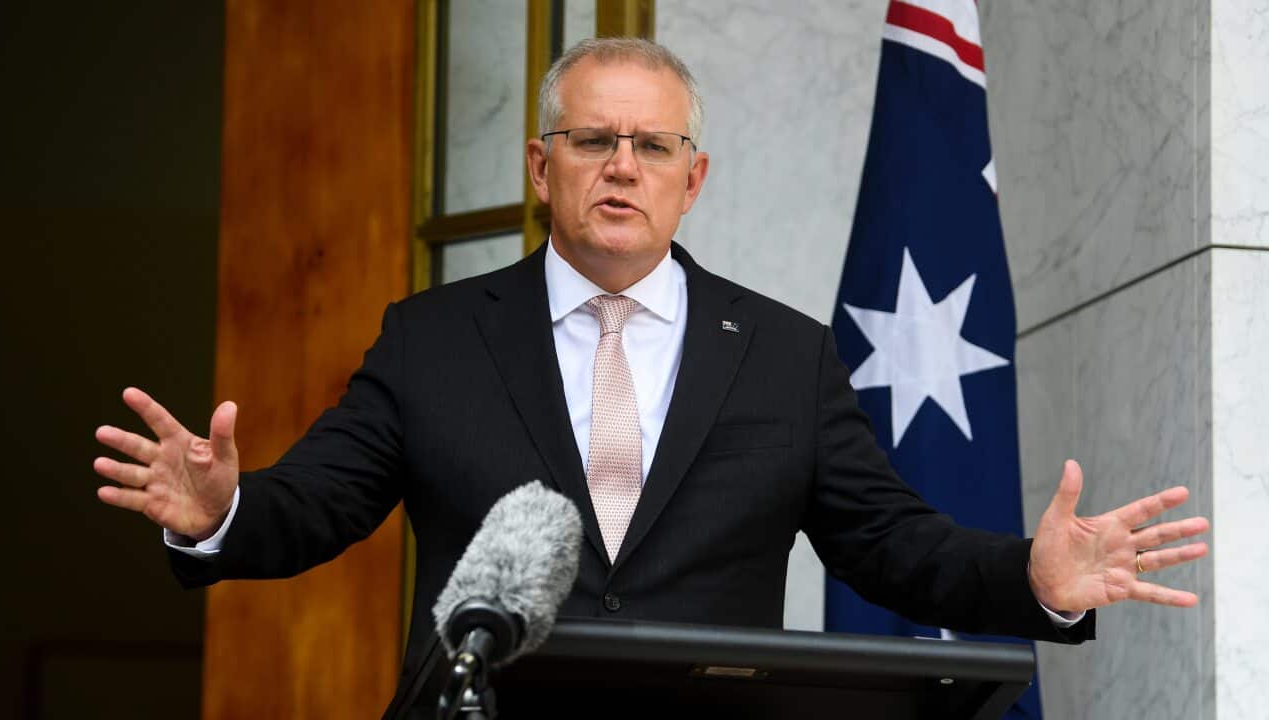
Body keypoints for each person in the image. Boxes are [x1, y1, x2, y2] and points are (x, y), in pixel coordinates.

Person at [93, 38, 1209, 716]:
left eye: (651, 145)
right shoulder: (431, 340)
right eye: (590, 141)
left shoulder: (782, 354)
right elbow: (318, 505)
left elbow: (892, 547)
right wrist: (223, 511)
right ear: (541, 167)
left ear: (693, 178)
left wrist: (1036, 576)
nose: (621, 165)